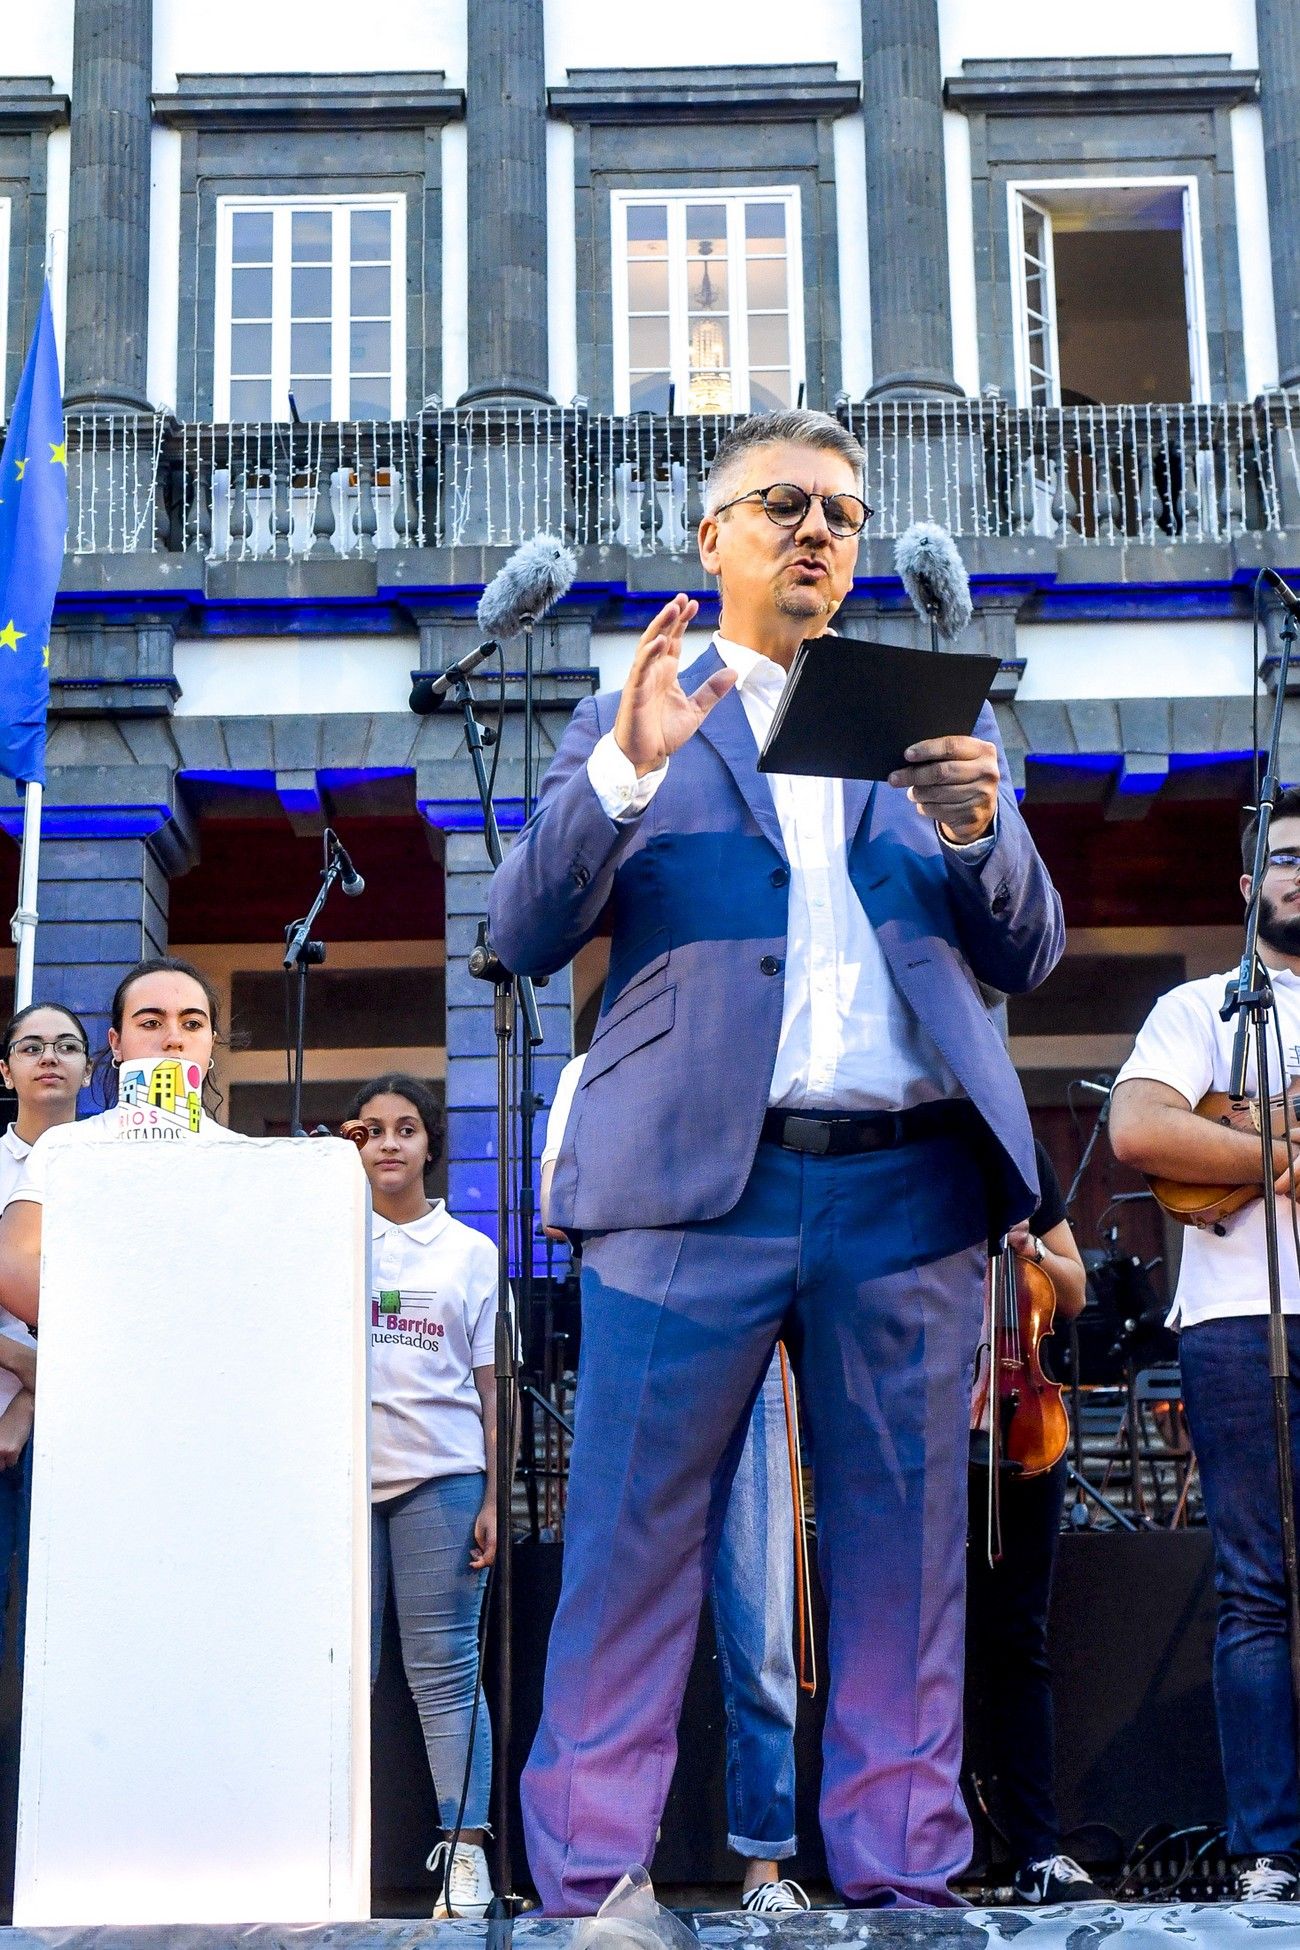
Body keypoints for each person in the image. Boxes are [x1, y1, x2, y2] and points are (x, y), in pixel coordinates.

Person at [486, 407, 1064, 1913]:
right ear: (714, 537)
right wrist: (622, 767)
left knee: (907, 1569)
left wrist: (983, 829)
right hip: (692, 1184)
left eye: (846, 515)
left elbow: (1034, 941)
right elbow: (519, 928)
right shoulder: (644, 706)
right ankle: (591, 1885)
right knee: (626, 1546)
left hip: (907, 1181)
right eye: (787, 504)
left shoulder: (931, 722)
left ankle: (900, 1884)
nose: (821, 531)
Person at [541, 1054, 804, 1914]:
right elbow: (556, 1205)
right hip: (644, 1345)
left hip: (754, 1352)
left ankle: (766, 1862)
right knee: (625, 1623)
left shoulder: (767, 1045)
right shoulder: (589, 1070)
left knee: (761, 1623)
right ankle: (618, 1868)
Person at [1109, 785, 1300, 1903]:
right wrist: (1280, 1149)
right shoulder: (1200, 1009)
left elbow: (1195, 1137)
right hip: (1235, 1325)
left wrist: (1240, 1140)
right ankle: (1270, 1845)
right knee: (1256, 1590)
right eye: (1279, 859)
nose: (1296, 873)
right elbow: (1141, 1128)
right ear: (1245, 887)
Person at [344, 1073, 500, 1922]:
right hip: (337, 1483)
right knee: (339, 1676)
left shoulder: (470, 1252)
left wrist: (494, 1492)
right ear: (353, 1144)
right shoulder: (329, 1240)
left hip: (441, 1478)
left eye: (406, 1129)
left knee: (443, 1672)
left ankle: (465, 1858)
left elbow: (492, 1384)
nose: (390, 1144)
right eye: (372, 1131)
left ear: (431, 1144)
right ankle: (329, 1856)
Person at [964, 1137, 1099, 1906]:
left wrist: (1032, 1258)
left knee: (1021, 1638)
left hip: (1022, 1415)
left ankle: (1038, 1850)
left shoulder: (1021, 1155)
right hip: (933, 1414)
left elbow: (1074, 1289)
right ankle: (923, 1848)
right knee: (923, 1639)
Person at [0, 958, 236, 1327]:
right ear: (116, 1043)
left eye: (192, 1024)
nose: (173, 1038)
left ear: (211, 1043)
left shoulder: (244, 1156)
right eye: (150, 1023)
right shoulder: (64, 1145)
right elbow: (13, 1262)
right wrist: (110, 1341)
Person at [0, 1003, 92, 1665]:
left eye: (66, 1046)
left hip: (88, 1424)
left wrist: (35, 1395)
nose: (50, 1058)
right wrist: (26, 1377)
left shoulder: (112, 1164)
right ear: (6, 1070)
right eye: (32, 1048)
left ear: (92, 1069)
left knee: (69, 1627)